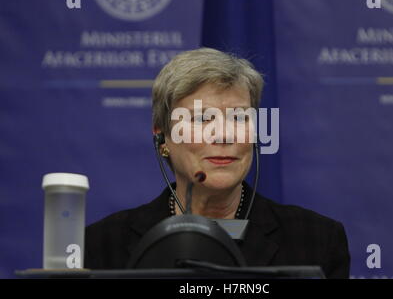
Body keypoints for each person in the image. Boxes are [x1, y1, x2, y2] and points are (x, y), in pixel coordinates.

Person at [84, 48, 350, 278]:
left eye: (239, 118)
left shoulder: (316, 240)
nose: (223, 134)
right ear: (162, 137)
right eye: (202, 119)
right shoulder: (103, 245)